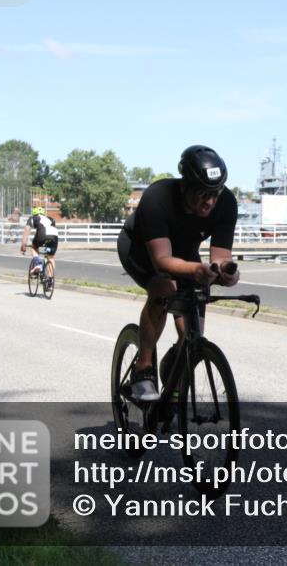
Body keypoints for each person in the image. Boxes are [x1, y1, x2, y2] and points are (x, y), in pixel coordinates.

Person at [117, 145, 239, 401]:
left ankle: (175, 368)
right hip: (141, 250)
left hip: (183, 253)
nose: (210, 201)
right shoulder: (158, 196)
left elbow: (219, 256)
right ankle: (144, 368)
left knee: (192, 331)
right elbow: (162, 261)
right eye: (203, 194)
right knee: (165, 287)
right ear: (185, 185)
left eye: (215, 193)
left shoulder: (226, 203)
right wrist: (197, 269)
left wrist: (226, 272)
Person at [20, 207, 59, 284]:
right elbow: (51, 229)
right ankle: (50, 281)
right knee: (50, 256)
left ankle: (38, 264)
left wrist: (23, 245)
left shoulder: (33, 218)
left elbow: (26, 231)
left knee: (34, 247)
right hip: (54, 237)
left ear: (34, 213)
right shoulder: (51, 219)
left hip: (43, 235)